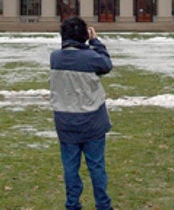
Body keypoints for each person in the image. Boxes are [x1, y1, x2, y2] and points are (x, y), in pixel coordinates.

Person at [49, 17, 113, 210]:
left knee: (70, 167)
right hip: (92, 120)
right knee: (96, 166)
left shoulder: (55, 57)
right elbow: (106, 65)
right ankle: (102, 204)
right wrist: (95, 42)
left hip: (65, 120)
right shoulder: (91, 58)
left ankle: (72, 204)